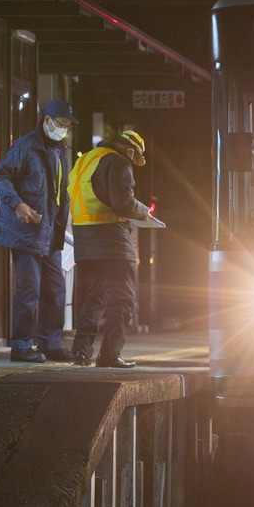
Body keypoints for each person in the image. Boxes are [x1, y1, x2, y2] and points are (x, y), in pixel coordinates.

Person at [0, 99, 78, 363]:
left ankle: (50, 345)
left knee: (55, 289)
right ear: (46, 120)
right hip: (26, 233)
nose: (64, 129)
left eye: (67, 126)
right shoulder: (26, 146)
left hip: (49, 233)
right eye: (61, 124)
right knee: (29, 289)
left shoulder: (58, 151)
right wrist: (18, 205)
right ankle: (21, 346)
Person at [69, 129, 152, 369]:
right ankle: (109, 355)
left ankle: (81, 353)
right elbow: (123, 203)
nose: (133, 164)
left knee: (92, 298)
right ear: (130, 150)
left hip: (84, 241)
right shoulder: (118, 161)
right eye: (135, 158)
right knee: (123, 298)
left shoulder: (85, 159)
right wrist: (143, 211)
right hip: (112, 241)